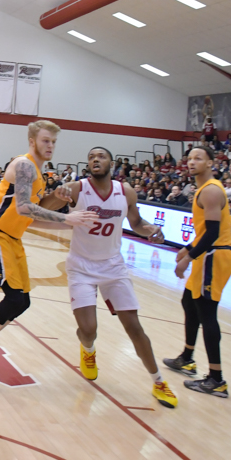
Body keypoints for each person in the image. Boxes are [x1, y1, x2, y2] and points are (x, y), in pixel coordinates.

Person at [0, 121, 97, 385]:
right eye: (46, 141)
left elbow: (32, 219)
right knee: (13, 299)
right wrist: (65, 218)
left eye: (54, 142)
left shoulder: (40, 173)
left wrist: (70, 222)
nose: (51, 146)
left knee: (22, 301)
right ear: (32, 141)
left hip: (13, 239)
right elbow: (23, 208)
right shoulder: (23, 165)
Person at [59, 147, 178, 408]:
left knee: (134, 327)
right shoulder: (77, 188)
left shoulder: (125, 192)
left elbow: (136, 223)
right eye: (90, 157)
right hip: (81, 266)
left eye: (100, 156)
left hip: (113, 267)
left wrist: (151, 231)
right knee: (89, 329)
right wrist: (57, 196)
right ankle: (88, 351)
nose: (95, 160)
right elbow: (45, 208)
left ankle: (158, 382)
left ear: (112, 163)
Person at [163, 145, 231, 398]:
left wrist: (188, 258)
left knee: (207, 313)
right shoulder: (203, 190)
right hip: (207, 254)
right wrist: (187, 248)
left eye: (198, 158)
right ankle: (187, 357)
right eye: (190, 158)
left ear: (211, 163)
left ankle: (217, 379)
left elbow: (214, 234)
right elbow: (206, 231)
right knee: (188, 302)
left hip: (215, 256)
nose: (192, 162)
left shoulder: (212, 191)